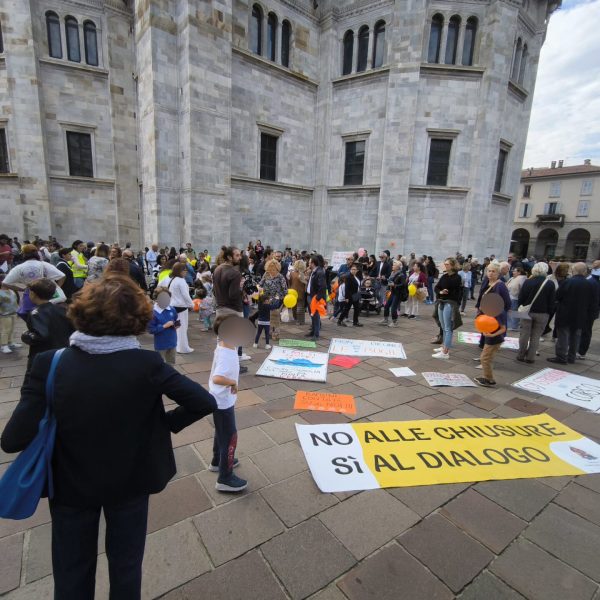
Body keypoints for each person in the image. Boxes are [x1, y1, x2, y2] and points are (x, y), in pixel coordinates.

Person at [1, 275, 216, 599]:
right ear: (136, 318)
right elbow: (204, 402)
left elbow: (13, 439)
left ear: (81, 313)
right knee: (126, 568)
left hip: (70, 485)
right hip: (130, 483)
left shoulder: (51, 363)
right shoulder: (146, 363)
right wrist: (164, 423)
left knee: (72, 573)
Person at [209, 314, 247, 492]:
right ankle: (225, 477)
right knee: (230, 437)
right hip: (223, 401)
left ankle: (217, 460)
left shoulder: (225, 345)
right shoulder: (227, 354)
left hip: (219, 399)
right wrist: (232, 383)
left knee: (221, 433)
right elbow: (217, 377)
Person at [548, 262, 599, 365]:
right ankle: (571, 357)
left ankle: (561, 357)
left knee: (563, 335)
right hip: (580, 315)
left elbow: (557, 296)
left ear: (574, 270)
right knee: (575, 336)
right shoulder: (590, 284)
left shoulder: (568, 282)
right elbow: (593, 301)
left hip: (565, 314)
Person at [21, 279, 74, 374]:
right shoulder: (62, 309)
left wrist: (26, 335)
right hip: (62, 352)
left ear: (32, 294)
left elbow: (41, 335)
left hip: (42, 354)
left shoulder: (36, 313)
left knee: (35, 379)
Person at [2, 244, 66, 318]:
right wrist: (55, 288)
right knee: (48, 315)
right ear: (36, 253)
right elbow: (62, 276)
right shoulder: (44, 265)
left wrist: (21, 289)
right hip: (46, 293)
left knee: (30, 315)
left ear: (24, 254)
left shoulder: (19, 268)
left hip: (30, 294)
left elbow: (5, 283)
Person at [474, 262, 511, 387]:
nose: (490, 273)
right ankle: (487, 377)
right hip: (489, 322)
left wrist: (495, 314)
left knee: (485, 357)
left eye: (493, 271)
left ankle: (489, 379)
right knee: (486, 355)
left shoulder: (500, 287)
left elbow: (506, 304)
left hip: (494, 326)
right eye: (488, 271)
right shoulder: (487, 283)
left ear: (498, 273)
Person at [213, 246, 248, 374]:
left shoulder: (217, 269)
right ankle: (233, 368)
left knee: (221, 340)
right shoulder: (235, 273)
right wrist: (242, 289)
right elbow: (233, 295)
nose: (240, 257)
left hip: (220, 308)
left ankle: (219, 366)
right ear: (229, 257)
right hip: (233, 310)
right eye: (237, 255)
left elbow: (215, 290)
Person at [516, 262, 554, 364]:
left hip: (527, 312)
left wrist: (520, 306)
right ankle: (530, 357)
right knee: (536, 336)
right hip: (542, 313)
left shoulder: (528, 282)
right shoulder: (550, 283)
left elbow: (521, 298)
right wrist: (549, 312)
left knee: (524, 334)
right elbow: (551, 301)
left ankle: (520, 354)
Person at [433, 257, 463, 359]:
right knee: (443, 326)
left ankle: (445, 352)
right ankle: (444, 347)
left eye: (447, 264)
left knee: (448, 327)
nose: (445, 265)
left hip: (450, 303)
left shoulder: (457, 277)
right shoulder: (444, 276)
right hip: (441, 302)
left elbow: (452, 288)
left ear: (453, 266)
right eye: (445, 264)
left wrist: (445, 290)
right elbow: (436, 287)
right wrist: (441, 291)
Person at [163, 262, 195, 354]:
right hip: (181, 307)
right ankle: (183, 348)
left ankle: (177, 346)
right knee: (182, 328)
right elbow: (185, 295)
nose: (186, 272)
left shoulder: (171, 279)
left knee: (176, 327)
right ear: (180, 271)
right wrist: (191, 304)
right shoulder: (181, 281)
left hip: (173, 306)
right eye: (185, 270)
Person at [148, 287, 179, 365]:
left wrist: (176, 325)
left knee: (171, 363)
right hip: (161, 344)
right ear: (156, 299)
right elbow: (151, 330)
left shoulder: (172, 309)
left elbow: (175, 320)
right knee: (159, 364)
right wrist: (164, 326)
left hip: (172, 341)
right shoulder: (153, 313)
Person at [259, 259, 287, 341]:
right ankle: (269, 333)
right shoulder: (266, 274)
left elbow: (285, 289)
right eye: (270, 269)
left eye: (274, 269)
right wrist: (259, 289)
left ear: (277, 269)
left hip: (277, 299)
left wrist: (285, 303)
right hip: (267, 299)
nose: (272, 271)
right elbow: (261, 283)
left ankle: (276, 334)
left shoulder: (280, 277)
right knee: (268, 316)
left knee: (275, 316)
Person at [578, 260, 600, 359]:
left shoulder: (592, 282)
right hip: (588, 311)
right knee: (583, 331)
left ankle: (581, 352)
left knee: (585, 331)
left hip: (588, 312)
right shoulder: (590, 280)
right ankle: (579, 349)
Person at [379, 260, 407, 327]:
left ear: (398, 267)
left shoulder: (401, 274)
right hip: (392, 292)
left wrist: (394, 285)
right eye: (393, 265)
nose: (392, 266)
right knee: (386, 306)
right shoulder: (392, 273)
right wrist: (384, 279)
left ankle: (395, 322)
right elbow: (390, 281)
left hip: (398, 293)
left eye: (394, 265)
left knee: (393, 308)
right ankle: (385, 320)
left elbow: (403, 285)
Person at [306, 254, 326, 340]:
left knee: (316, 316)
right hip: (310, 296)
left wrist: (317, 298)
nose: (308, 264)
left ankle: (316, 334)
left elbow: (322, 286)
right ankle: (313, 332)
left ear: (313, 263)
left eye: (309, 262)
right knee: (312, 315)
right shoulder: (314, 271)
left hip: (314, 298)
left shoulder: (319, 272)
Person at [0, 273, 20, 353]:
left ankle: (10, 342)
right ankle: (4, 345)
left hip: (13, 313)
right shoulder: (0, 293)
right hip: (4, 315)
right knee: (5, 330)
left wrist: (18, 310)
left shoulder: (12, 291)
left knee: (12, 329)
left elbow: (16, 301)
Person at [338, 263, 362, 327]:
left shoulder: (356, 277)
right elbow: (347, 288)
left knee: (357, 309)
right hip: (350, 296)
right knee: (347, 309)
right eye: (352, 269)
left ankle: (355, 322)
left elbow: (358, 286)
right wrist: (347, 297)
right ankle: (339, 320)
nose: (354, 270)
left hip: (356, 295)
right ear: (350, 270)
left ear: (357, 270)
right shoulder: (348, 277)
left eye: (355, 269)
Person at [506, 264, 527, 330]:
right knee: (510, 312)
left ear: (519, 272)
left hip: (515, 298)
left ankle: (514, 326)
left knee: (514, 312)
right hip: (510, 297)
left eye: (515, 271)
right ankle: (510, 325)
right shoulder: (512, 278)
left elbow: (521, 289)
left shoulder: (522, 279)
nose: (513, 272)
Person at [290, 259, 307, 325]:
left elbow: (290, 282)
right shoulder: (303, 274)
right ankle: (300, 320)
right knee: (300, 306)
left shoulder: (292, 273)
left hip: (293, 291)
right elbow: (305, 283)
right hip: (301, 291)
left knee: (294, 306)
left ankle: (295, 318)